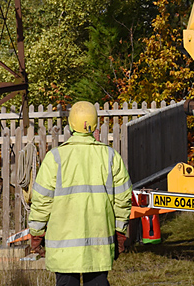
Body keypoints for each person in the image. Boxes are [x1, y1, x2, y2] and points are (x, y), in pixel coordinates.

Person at [28, 100, 132, 286]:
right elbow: (123, 200)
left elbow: (42, 201)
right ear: (95, 124)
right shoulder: (110, 157)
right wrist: (120, 232)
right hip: (99, 245)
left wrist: (36, 233)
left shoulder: (55, 158)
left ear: (70, 124)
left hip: (63, 248)